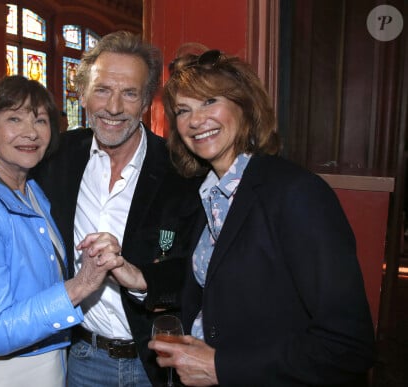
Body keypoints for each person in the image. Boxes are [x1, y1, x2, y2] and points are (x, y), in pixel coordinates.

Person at [105, 49, 375, 386]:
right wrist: (142, 278)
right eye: (183, 111)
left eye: (209, 102)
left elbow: (349, 345)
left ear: (244, 107)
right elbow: (215, 282)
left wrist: (222, 367)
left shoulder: (295, 193)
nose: (195, 120)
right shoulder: (207, 194)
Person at [0, 31, 197, 386]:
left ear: (145, 103)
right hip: (78, 359)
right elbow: (7, 152)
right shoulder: (57, 157)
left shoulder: (181, 170)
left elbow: (196, 273)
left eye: (129, 93)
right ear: (83, 95)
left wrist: (143, 282)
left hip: (152, 361)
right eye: (103, 90)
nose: (113, 107)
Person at [0, 75, 124, 386]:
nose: (30, 132)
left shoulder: (34, 188)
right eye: (14, 118)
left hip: (45, 357)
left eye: (40, 120)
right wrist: (81, 285)